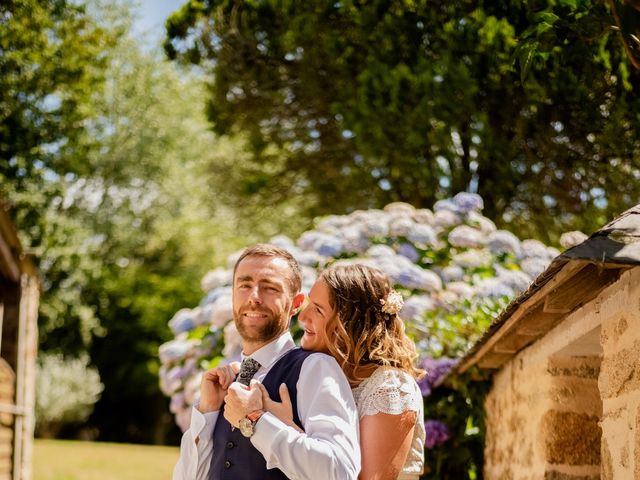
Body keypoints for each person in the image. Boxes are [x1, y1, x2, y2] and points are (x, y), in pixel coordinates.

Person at [172, 244, 361, 480]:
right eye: (244, 285)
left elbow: (339, 471)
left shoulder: (315, 368)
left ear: (295, 303)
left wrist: (254, 419)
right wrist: (208, 413)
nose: (254, 298)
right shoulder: (226, 383)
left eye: (270, 288)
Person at [260, 264, 425, 480]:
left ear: (349, 322)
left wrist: (284, 426)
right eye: (308, 304)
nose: (302, 317)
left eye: (318, 309)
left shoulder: (391, 389)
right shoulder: (321, 374)